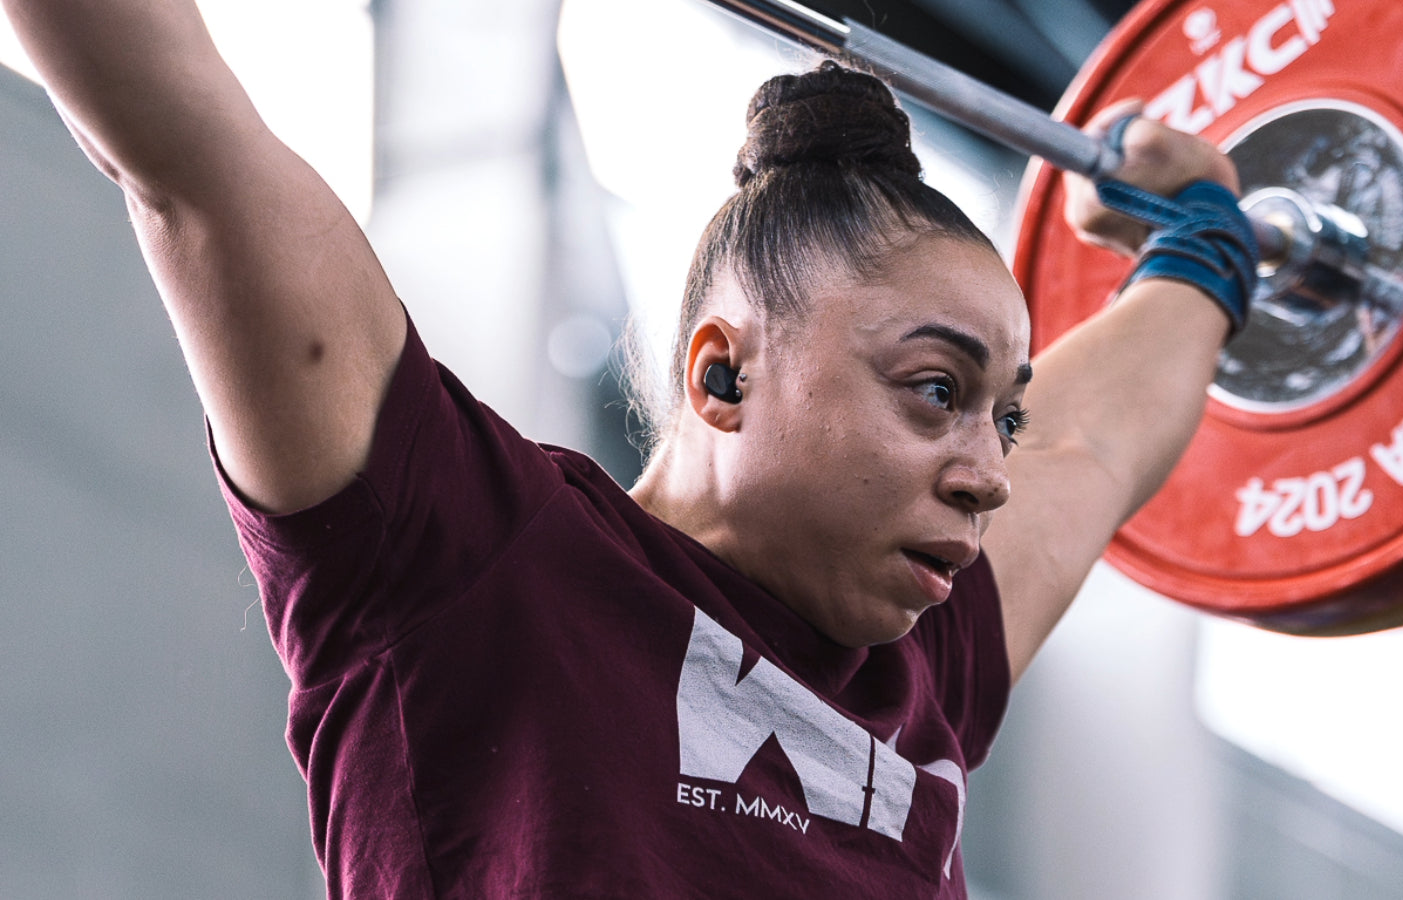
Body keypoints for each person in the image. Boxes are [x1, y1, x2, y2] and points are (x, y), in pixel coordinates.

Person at [0, 1, 1254, 897]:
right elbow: (186, 154)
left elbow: (1094, 438)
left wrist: (1202, 239)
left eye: (1002, 416)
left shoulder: (923, 660)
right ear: (722, 373)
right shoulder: (464, 551)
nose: (990, 472)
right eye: (936, 391)